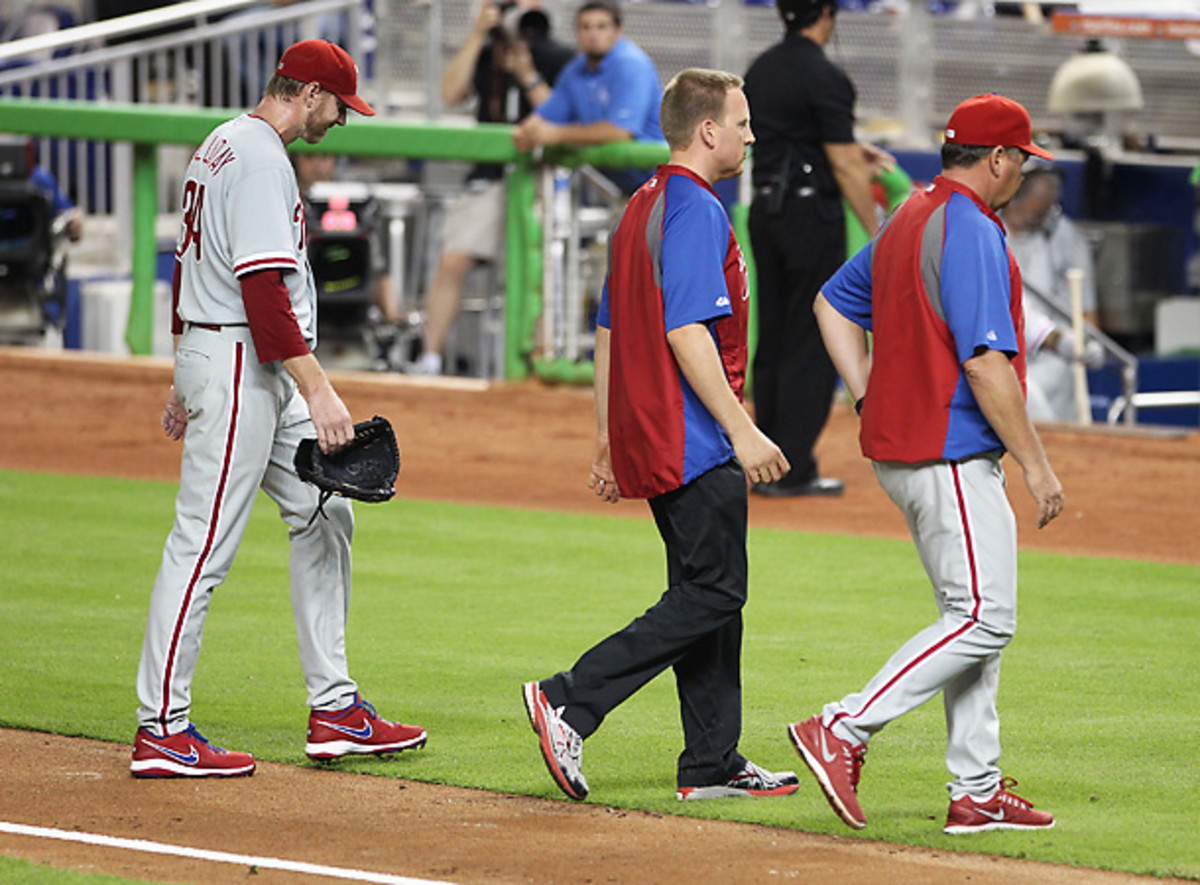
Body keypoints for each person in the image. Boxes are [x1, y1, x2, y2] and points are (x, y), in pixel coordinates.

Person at [131, 40, 426, 778]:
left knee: (327, 508)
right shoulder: (262, 156)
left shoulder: (224, 142)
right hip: (242, 362)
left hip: (236, 358)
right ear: (312, 93)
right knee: (202, 544)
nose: (341, 122)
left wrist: (178, 371)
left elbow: (186, 260)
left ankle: (335, 708)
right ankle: (161, 726)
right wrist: (318, 387)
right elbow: (262, 287)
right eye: (340, 107)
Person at [522, 68, 799, 804]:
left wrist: (607, 435)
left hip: (653, 429)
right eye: (740, 123)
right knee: (715, 588)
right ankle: (569, 699)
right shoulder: (696, 209)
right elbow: (684, 329)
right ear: (707, 130)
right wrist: (742, 430)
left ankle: (711, 759)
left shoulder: (641, 204)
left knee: (706, 590)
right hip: (693, 436)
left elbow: (609, 330)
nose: (749, 135)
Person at [793, 93, 1063, 834]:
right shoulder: (971, 228)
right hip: (946, 452)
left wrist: (865, 390)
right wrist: (1035, 464)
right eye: (1021, 160)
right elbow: (985, 363)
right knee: (984, 615)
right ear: (1000, 159)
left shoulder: (911, 212)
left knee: (973, 612)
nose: (1022, 174)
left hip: (908, 449)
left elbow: (832, 304)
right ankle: (842, 726)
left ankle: (974, 787)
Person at [743, 0, 892, 498]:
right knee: (811, 340)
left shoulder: (760, 68)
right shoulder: (825, 75)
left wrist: (849, 154)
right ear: (826, 13)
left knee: (776, 334)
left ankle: (766, 459)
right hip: (810, 217)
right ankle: (795, 467)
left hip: (765, 213)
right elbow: (845, 166)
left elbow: (791, 140)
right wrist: (879, 233)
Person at [414, 0, 574, 376]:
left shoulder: (557, 55)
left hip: (540, 178)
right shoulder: (484, 52)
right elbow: (450, 93)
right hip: (487, 178)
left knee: (540, 273)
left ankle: (539, 361)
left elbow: (562, 116)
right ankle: (430, 357)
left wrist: (528, 74)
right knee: (453, 258)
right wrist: (478, 35)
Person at [511, 0, 664, 196]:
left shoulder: (631, 64)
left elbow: (621, 131)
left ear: (618, 31)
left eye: (601, 26)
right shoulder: (575, 69)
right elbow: (546, 115)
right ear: (577, 33)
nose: (593, 34)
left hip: (655, 182)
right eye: (585, 27)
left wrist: (556, 134)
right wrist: (527, 130)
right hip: (608, 182)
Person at [1002, 162, 1104, 422]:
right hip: (999, 351)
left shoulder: (1063, 236)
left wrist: (1085, 343)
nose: (1041, 221)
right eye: (1034, 214)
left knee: (1033, 398)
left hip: (1051, 357)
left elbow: (1086, 310)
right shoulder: (987, 229)